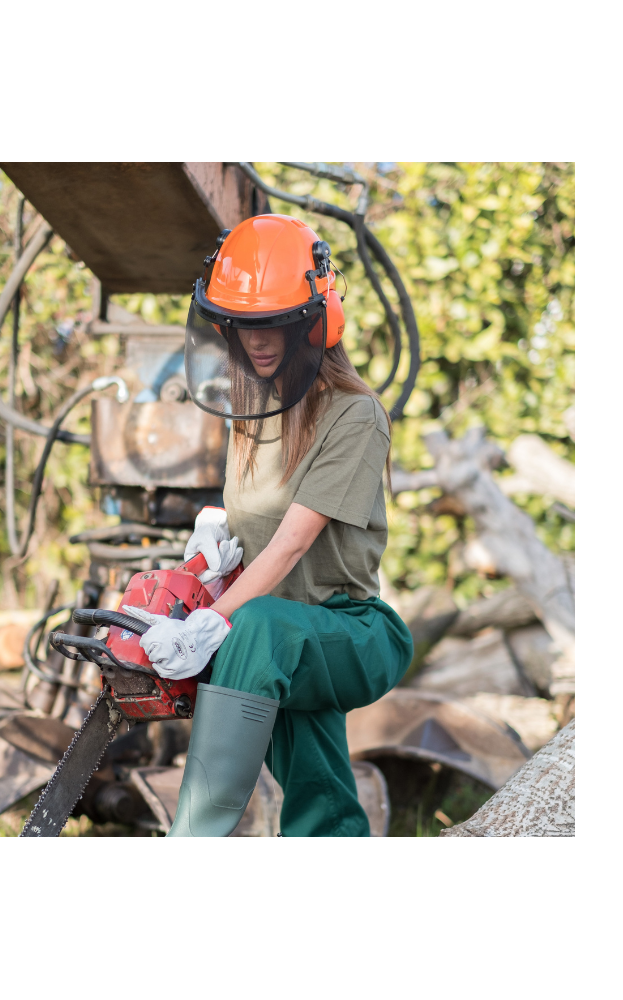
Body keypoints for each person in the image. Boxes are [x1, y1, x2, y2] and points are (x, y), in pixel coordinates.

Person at [123, 214, 413, 837]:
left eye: (273, 322)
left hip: (349, 633)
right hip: (274, 637)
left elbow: (290, 544)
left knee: (255, 627)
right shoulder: (251, 411)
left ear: (316, 319)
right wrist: (206, 557)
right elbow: (254, 522)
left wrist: (212, 620)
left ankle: (195, 836)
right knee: (320, 799)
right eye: (243, 323)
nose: (256, 340)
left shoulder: (355, 416)